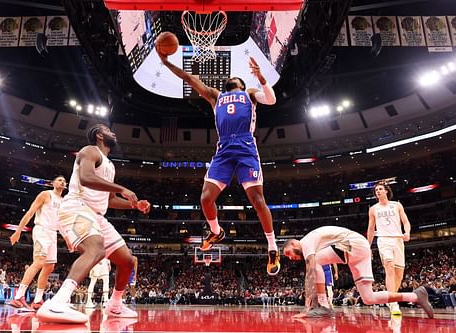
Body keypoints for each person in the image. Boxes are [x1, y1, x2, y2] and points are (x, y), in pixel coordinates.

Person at [159, 53, 280, 275]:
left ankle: (272, 247)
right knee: (205, 198)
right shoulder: (216, 96)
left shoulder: (249, 94)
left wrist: (261, 77)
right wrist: (166, 63)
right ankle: (216, 231)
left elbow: (271, 100)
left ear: (242, 84)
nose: (234, 78)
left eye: (237, 77)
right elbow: (189, 78)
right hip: (223, 149)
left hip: (245, 147)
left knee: (257, 199)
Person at [37, 124, 150, 324]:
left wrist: (135, 206)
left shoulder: (110, 165)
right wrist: (123, 188)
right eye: (108, 130)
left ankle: (115, 305)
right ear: (99, 135)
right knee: (96, 249)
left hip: (97, 215)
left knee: (126, 261)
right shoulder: (89, 151)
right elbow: (86, 178)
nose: (113, 132)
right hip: (76, 206)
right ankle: (58, 302)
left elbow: (110, 200)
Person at [283, 226, 433, 319]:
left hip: (352, 244)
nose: (290, 258)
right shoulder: (311, 244)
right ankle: (416, 296)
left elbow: (310, 275)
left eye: (289, 253)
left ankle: (324, 306)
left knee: (315, 264)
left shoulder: (306, 242)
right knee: (369, 298)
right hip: (358, 250)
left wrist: (307, 308)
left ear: (295, 243)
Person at [9, 175, 66, 311]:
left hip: (53, 234)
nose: (62, 182)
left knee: (49, 267)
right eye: (59, 179)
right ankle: (18, 296)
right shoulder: (45, 195)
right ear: (53, 183)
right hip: (42, 230)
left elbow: (62, 224)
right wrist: (18, 231)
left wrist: (68, 241)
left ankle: (38, 300)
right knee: (39, 261)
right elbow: (30, 213)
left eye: (64, 181)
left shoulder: (64, 201)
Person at [367, 181, 411, 316]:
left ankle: (392, 296)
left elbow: (405, 221)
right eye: (376, 191)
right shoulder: (373, 209)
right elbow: (370, 229)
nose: (378, 191)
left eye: (380, 189)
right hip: (383, 240)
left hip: (398, 240)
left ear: (386, 191)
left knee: (399, 275)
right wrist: (368, 247)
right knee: (389, 267)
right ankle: (393, 302)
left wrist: (407, 232)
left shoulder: (397, 205)